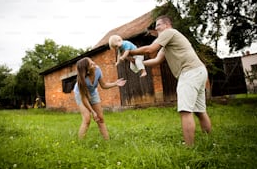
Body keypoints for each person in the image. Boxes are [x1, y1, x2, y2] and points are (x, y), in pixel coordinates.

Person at [129, 15, 212, 146]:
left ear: (167, 25)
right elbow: (156, 60)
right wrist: (139, 63)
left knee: (185, 111)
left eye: (158, 26)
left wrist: (131, 52)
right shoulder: (167, 43)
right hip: (199, 71)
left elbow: (150, 49)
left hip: (190, 72)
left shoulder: (169, 32)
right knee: (200, 111)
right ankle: (209, 141)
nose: (156, 30)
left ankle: (189, 149)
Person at [73, 57, 127, 140]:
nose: (94, 64)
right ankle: (80, 142)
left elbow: (104, 85)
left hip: (93, 93)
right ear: (86, 70)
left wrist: (115, 83)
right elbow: (84, 98)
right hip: (80, 95)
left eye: (93, 61)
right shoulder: (82, 80)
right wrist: (92, 112)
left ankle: (107, 141)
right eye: (91, 64)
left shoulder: (97, 70)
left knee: (100, 118)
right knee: (87, 119)